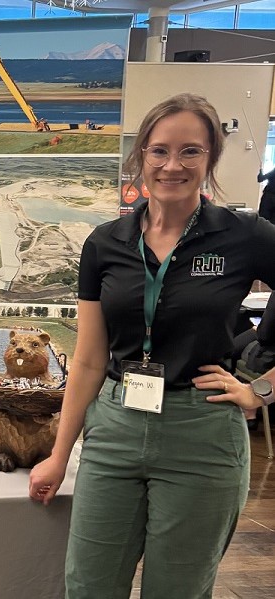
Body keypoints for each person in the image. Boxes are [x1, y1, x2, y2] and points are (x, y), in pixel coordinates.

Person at [28, 93, 275, 598]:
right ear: (141, 154)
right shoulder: (105, 243)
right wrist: (59, 454)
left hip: (202, 432)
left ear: (211, 158)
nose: (172, 165)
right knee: (88, 586)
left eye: (191, 151)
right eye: (159, 150)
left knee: (177, 589)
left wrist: (262, 390)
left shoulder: (244, 236)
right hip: (113, 430)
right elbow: (89, 360)